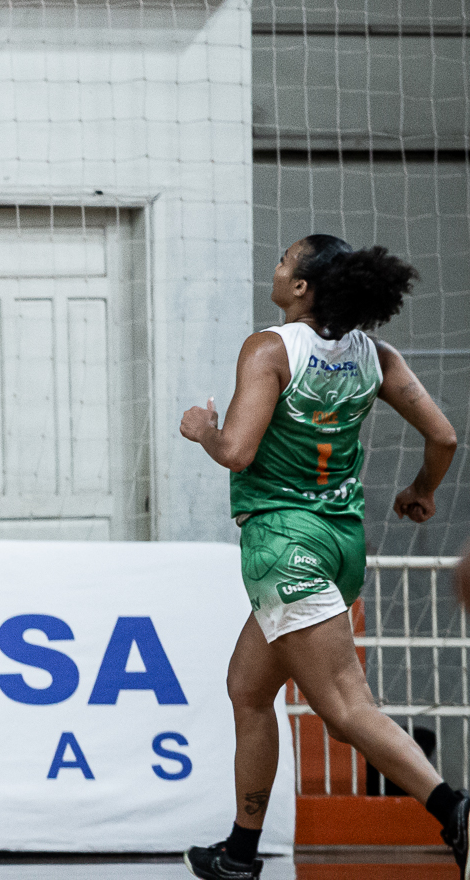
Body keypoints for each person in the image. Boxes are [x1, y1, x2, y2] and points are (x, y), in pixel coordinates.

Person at [180, 235, 464, 880]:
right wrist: (421, 491)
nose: (276, 268)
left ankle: (455, 808)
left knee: (344, 706)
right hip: (339, 542)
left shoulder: (269, 348)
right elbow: (444, 436)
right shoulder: (376, 355)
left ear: (303, 288)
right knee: (248, 689)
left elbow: (237, 453)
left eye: (285, 261)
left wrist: (203, 431)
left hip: (284, 544)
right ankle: (240, 853)